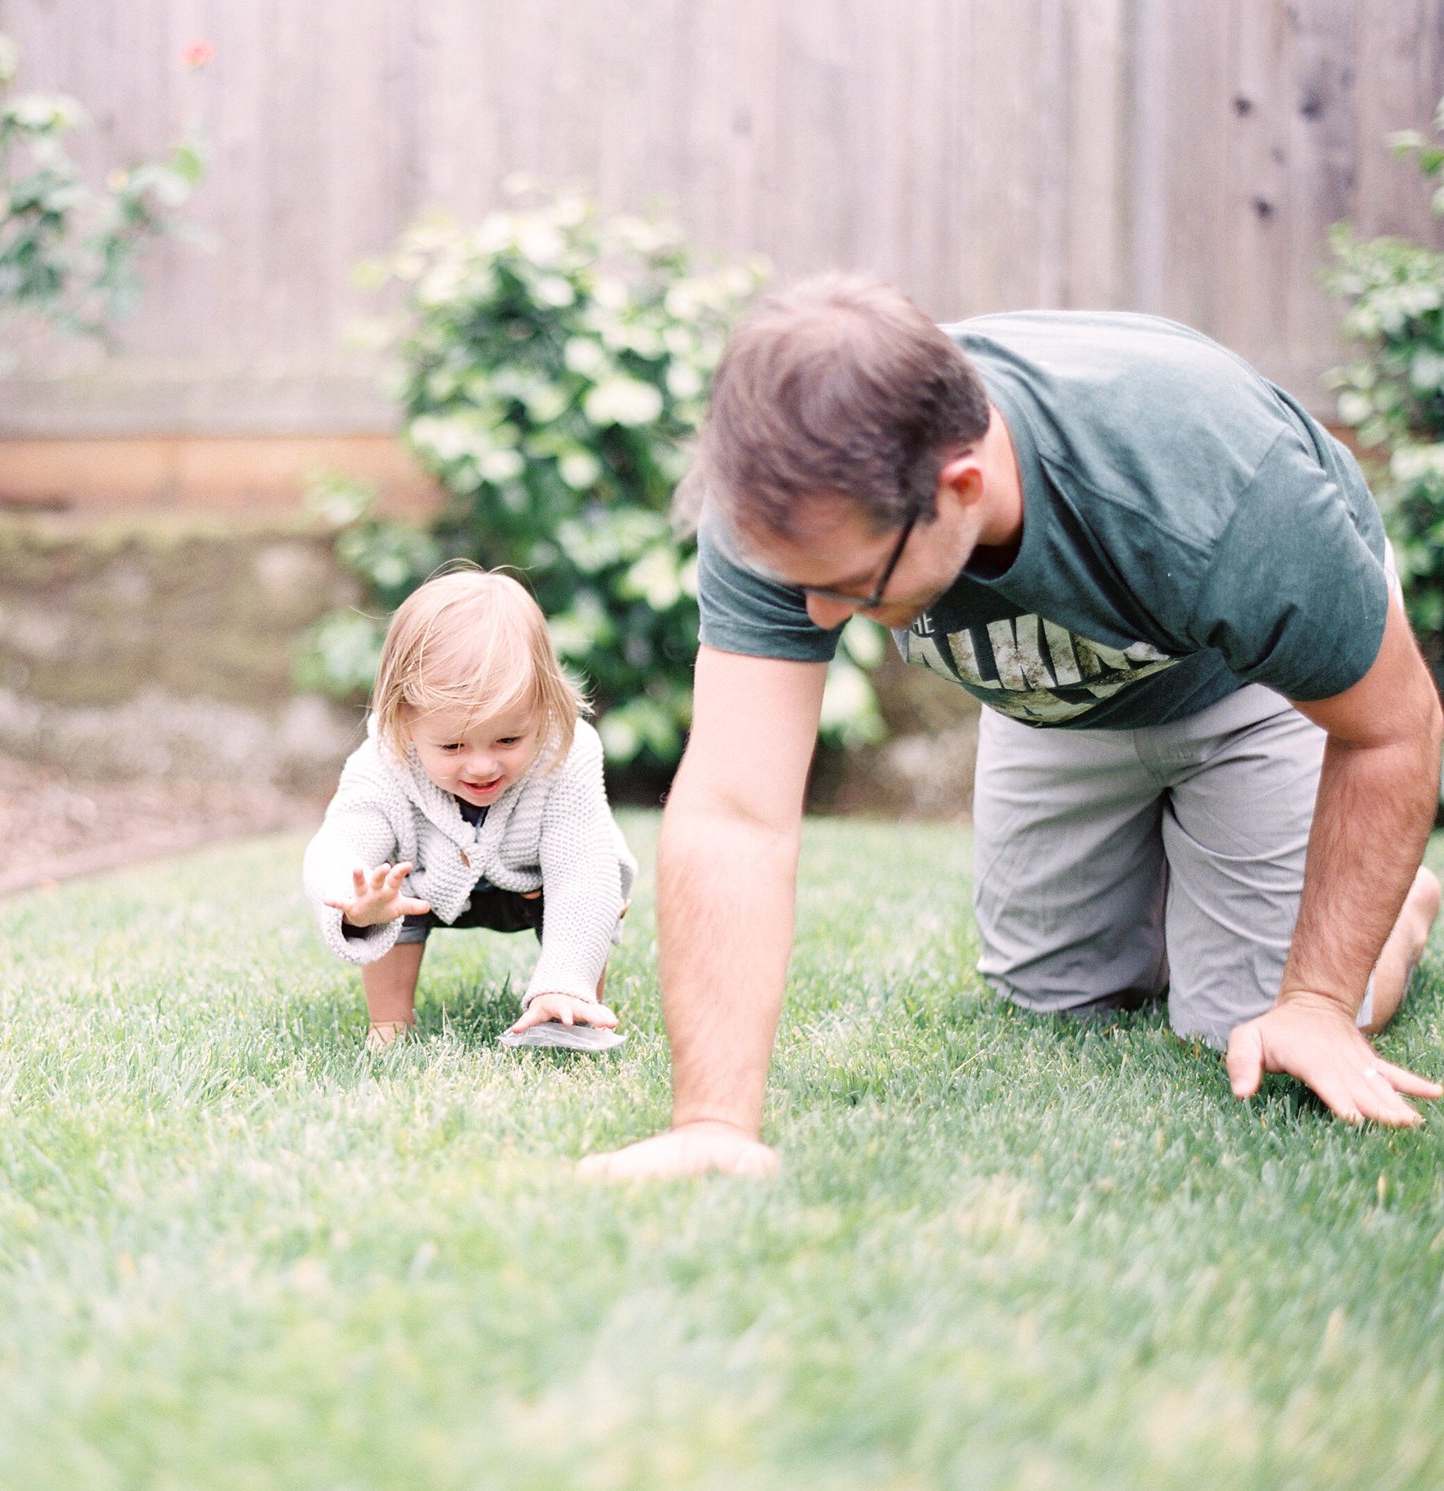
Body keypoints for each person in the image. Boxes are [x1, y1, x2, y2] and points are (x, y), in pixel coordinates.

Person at [584, 273, 1444, 1179]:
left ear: (960, 486)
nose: (817, 619)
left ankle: (1402, 906)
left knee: (1242, 1024)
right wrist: (714, 1122)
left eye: (851, 588)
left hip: (1249, 690)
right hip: (1059, 689)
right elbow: (735, 810)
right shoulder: (790, 503)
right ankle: (1198, 880)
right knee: (1053, 996)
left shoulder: (1216, 484)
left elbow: (1394, 729)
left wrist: (1314, 997)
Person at [304, 567, 637, 1047]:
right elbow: (340, 842)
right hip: (423, 888)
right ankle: (389, 1021)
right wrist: (353, 903)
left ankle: (571, 1003)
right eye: (453, 747)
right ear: (404, 721)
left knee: (583, 896)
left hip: (535, 883)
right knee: (386, 886)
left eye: (507, 739)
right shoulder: (384, 758)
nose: (481, 767)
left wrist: (568, 973)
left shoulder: (568, 750)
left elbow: (582, 864)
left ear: (546, 706)